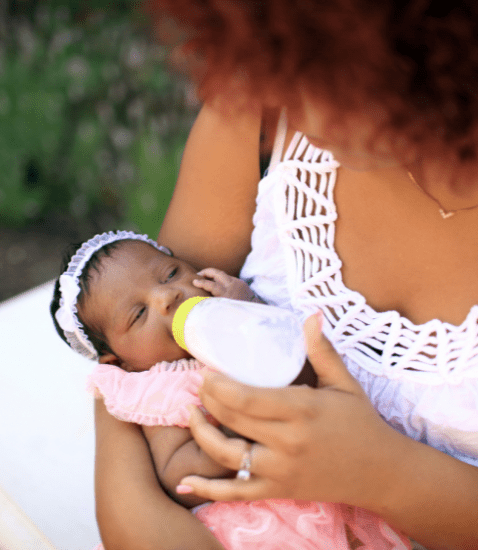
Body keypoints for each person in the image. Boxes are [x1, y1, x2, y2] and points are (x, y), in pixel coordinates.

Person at [94, 2, 478, 549]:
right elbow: (130, 343)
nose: (302, 107)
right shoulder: (266, 109)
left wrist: (384, 473)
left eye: (335, 71)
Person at [51, 230, 410, 550]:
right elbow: (177, 472)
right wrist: (231, 432)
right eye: (138, 314)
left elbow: (297, 362)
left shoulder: (233, 319)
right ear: (120, 362)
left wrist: (249, 305)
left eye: (171, 273)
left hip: (319, 478)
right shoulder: (157, 389)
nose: (166, 297)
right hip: (252, 522)